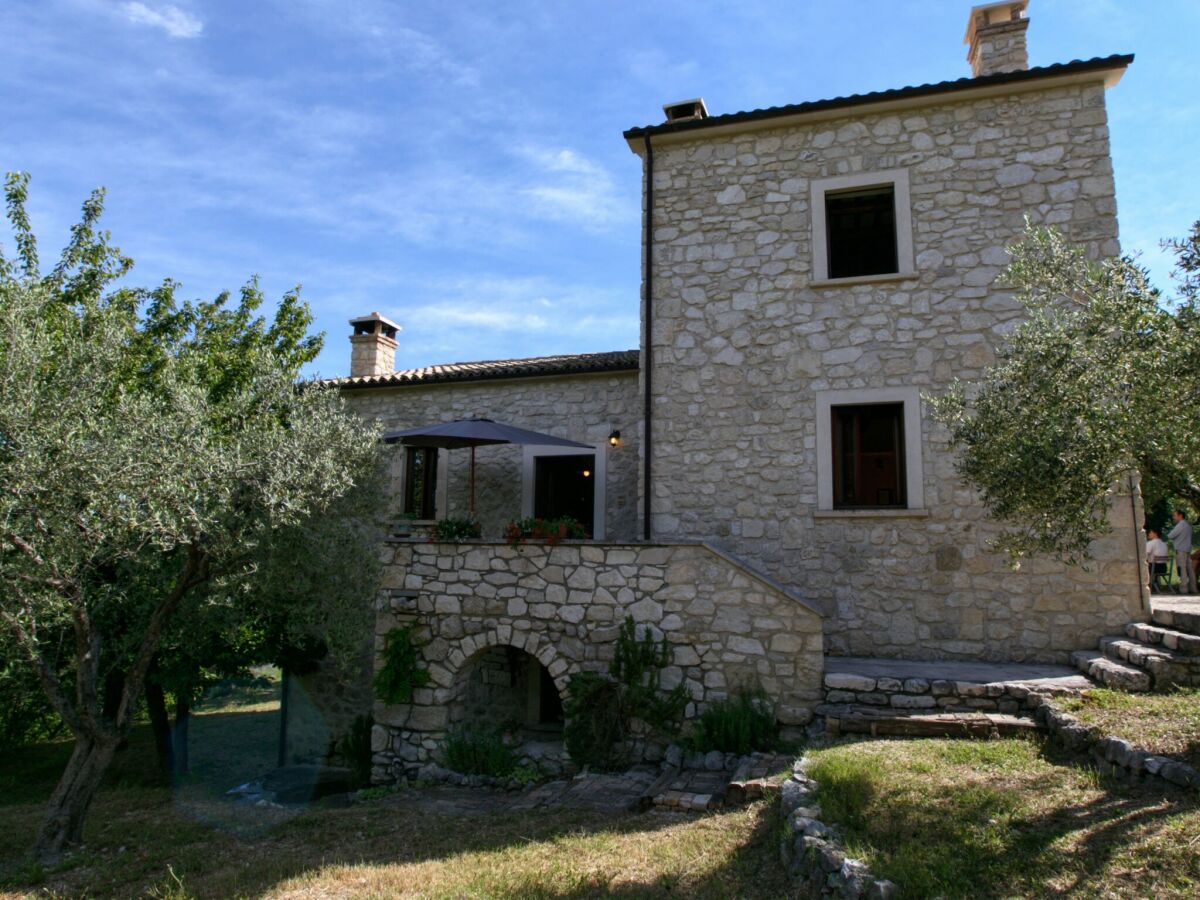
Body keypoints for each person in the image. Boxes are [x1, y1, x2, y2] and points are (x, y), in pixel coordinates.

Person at [1168, 509, 1197, 594]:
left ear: (1180, 516)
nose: (1174, 517)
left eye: (1175, 515)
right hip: (1187, 549)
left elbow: (1170, 535)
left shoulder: (1180, 525)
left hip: (1180, 549)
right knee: (1190, 569)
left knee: (1182, 569)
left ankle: (1183, 589)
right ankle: (1193, 588)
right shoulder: (1188, 525)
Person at [1146, 528, 1170, 592]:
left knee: (1143, 567)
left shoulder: (1151, 543)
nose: (1149, 534)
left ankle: (1147, 587)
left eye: (1150, 532)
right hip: (1163, 568)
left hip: (1154, 568)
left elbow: (1145, 555)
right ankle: (1154, 585)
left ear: (1155, 534)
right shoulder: (1164, 544)